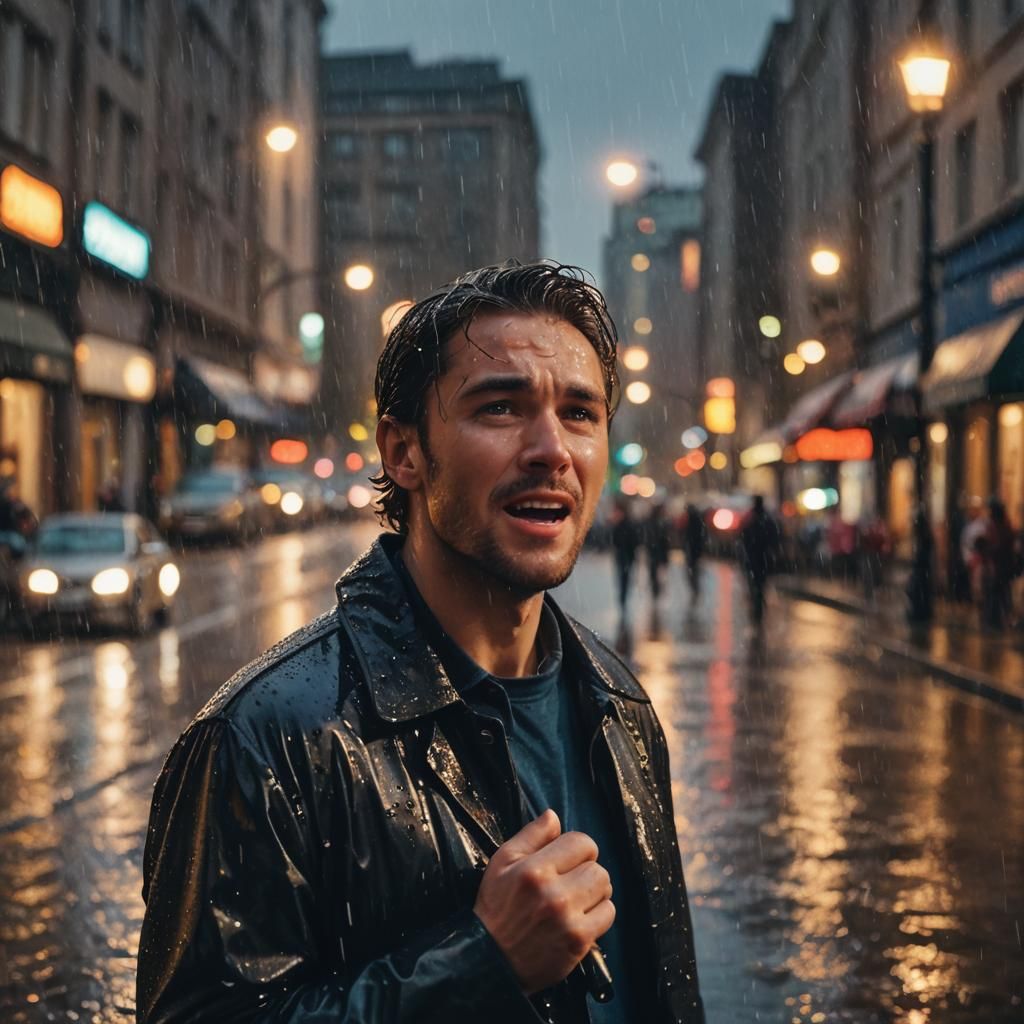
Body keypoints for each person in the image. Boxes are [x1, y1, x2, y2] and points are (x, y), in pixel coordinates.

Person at [136, 261, 705, 1024]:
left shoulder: (621, 707)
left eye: (580, 413)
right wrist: (478, 968)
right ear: (404, 454)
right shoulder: (268, 740)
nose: (551, 450)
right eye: (500, 408)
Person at [739, 495, 780, 626]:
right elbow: (774, 538)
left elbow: (743, 539)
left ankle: (757, 608)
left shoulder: (750, 519)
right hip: (762, 559)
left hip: (754, 559)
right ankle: (759, 607)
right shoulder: (767, 519)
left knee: (755, 584)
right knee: (760, 584)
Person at [609, 496, 641, 613]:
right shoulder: (620, 524)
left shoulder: (627, 525)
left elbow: (633, 542)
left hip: (626, 557)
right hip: (622, 557)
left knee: (624, 580)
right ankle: (623, 600)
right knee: (622, 580)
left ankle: (623, 600)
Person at [641, 501, 671, 601]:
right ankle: (656, 589)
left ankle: (655, 589)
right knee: (656, 573)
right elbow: (664, 540)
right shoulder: (660, 523)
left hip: (654, 552)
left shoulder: (652, 522)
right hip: (656, 552)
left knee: (654, 572)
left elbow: (648, 538)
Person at [680, 503, 707, 598]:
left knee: (693, 570)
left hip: (692, 551)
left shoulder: (692, 521)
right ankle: (695, 588)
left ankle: (695, 588)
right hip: (694, 551)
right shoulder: (697, 521)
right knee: (694, 570)